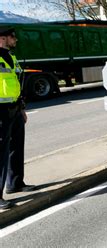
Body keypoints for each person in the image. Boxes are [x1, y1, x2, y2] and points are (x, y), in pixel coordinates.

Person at [0, 26, 35, 209]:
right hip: (0, 111)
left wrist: (21, 108)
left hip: (14, 109)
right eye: (12, 37)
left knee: (16, 147)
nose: (16, 39)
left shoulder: (11, 58)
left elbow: (16, 83)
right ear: (2, 38)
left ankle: (15, 183)